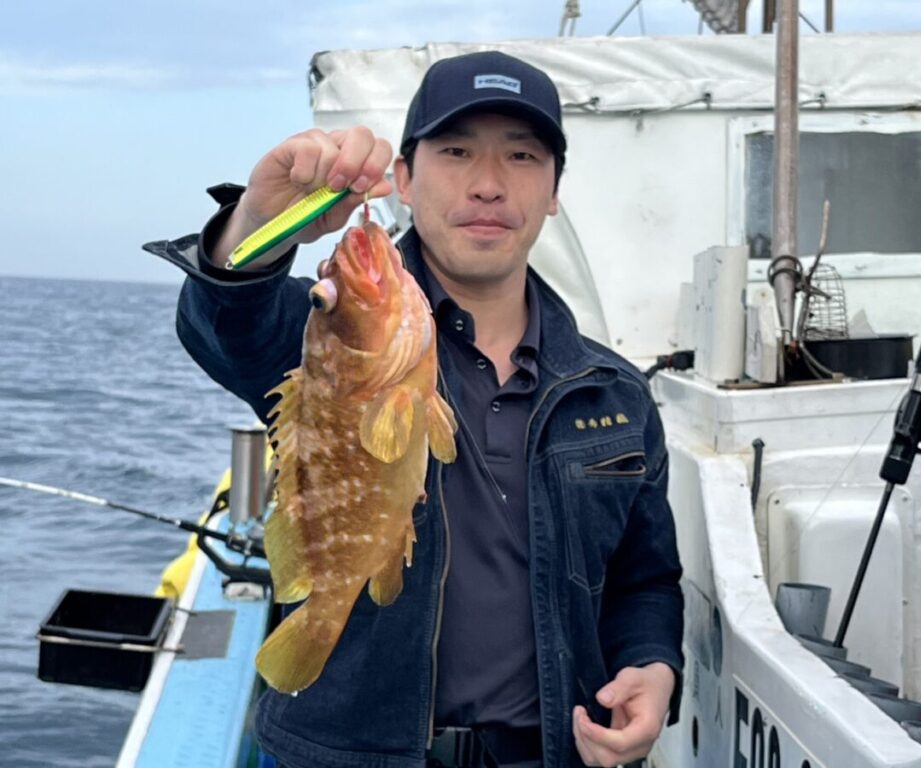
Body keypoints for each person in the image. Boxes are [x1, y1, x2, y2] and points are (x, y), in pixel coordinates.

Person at [147, 50, 683, 768]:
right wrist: (257, 222)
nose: (488, 184)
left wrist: (653, 665)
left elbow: (645, 580)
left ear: (555, 188)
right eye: (456, 151)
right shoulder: (329, 333)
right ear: (402, 177)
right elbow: (225, 317)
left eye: (522, 156)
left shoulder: (613, 393)